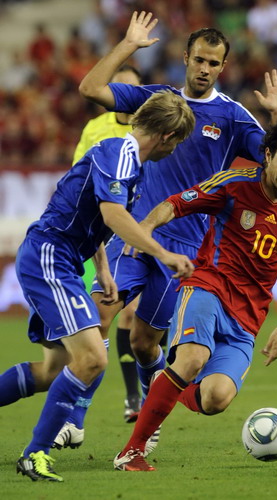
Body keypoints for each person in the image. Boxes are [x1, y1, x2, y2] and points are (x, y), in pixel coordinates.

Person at [75, 10, 277, 454]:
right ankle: (71, 419)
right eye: (198, 60)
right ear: (186, 57)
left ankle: (150, 401)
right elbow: (91, 89)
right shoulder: (157, 99)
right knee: (101, 311)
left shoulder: (232, 117)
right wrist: (129, 45)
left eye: (213, 63)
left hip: (189, 250)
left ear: (222, 67)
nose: (204, 68)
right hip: (137, 234)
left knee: (143, 341)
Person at [0, 90, 195, 482]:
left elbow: (93, 213)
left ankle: (39, 446)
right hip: (50, 257)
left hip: (63, 259)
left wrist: (103, 268)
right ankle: (35, 454)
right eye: (177, 142)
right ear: (167, 135)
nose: (174, 152)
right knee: (92, 359)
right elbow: (112, 213)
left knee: (53, 372)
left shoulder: (125, 162)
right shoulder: (121, 154)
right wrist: (164, 253)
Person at [112, 119, 277, 471]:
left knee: (215, 399)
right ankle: (132, 451)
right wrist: (144, 228)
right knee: (192, 359)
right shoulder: (234, 184)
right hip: (208, 285)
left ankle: (166, 381)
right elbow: (176, 203)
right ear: (267, 155)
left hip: (248, 316)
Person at [72, 64, 143, 426]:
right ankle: (76, 409)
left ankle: (133, 397)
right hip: (100, 231)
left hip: (135, 228)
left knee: (129, 315)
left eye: (133, 89)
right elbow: (78, 178)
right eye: (120, 89)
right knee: (99, 320)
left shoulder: (148, 127)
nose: (126, 96)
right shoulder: (95, 130)